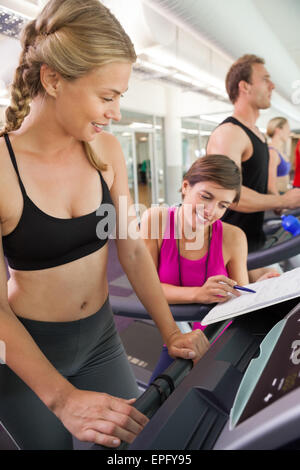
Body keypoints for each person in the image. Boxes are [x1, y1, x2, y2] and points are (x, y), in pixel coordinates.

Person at [0, 0, 209, 450]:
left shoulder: (106, 152)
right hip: (29, 353)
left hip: (100, 339)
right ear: (53, 79)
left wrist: (171, 331)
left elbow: (131, 249)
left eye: (121, 97)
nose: (115, 112)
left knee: (131, 446)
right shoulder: (1, 168)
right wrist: (62, 400)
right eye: (107, 96)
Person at [140, 155, 279, 380]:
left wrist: (259, 289)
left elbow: (239, 295)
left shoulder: (233, 237)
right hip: (180, 337)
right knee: (158, 409)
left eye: (222, 205)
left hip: (223, 337)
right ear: (186, 186)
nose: (211, 211)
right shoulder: (155, 219)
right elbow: (146, 287)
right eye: (206, 197)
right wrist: (197, 293)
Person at [206, 54, 300, 280]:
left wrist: (277, 202)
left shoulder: (257, 135)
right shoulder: (230, 133)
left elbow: (255, 186)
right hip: (229, 250)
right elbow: (229, 195)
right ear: (244, 86)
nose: (272, 85)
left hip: (253, 242)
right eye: (265, 79)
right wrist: (282, 200)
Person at [267, 117, 291, 194]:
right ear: (278, 130)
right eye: (287, 128)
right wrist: (281, 203)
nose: (289, 132)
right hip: (277, 196)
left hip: (285, 193)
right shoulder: (272, 152)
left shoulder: (281, 151)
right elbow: (270, 187)